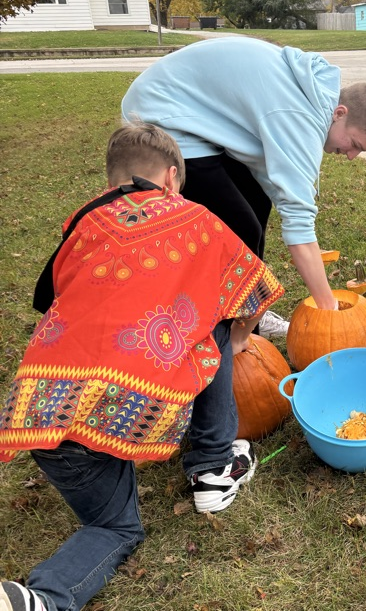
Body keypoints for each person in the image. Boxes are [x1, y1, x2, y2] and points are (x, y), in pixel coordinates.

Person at [0, 123, 284, 611]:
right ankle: (213, 469)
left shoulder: (84, 222)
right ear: (173, 178)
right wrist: (236, 339)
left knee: (101, 509)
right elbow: (254, 288)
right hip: (123, 405)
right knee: (117, 529)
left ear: (110, 181)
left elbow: (47, 296)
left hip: (42, 414)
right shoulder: (196, 219)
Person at [121, 36, 366, 326]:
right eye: (354, 144)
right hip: (162, 115)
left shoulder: (313, 96)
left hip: (197, 115)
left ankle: (246, 310)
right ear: (340, 113)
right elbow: (298, 228)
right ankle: (224, 328)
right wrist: (327, 308)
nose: (351, 155)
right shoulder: (300, 116)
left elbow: (276, 181)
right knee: (241, 228)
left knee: (257, 199)